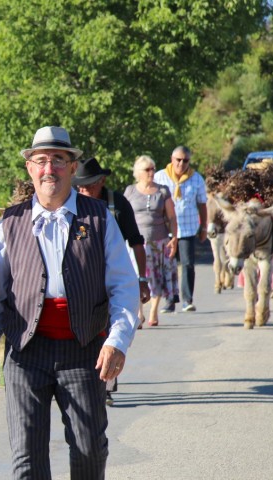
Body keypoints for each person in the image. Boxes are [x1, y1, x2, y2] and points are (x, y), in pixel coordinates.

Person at [0, 126, 140, 480]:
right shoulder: (10, 223)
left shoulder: (99, 218)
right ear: (29, 168)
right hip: (25, 351)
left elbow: (123, 286)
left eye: (58, 160)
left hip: (84, 350)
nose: (49, 168)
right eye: (41, 160)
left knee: (89, 450)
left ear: (72, 165)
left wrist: (117, 341)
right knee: (26, 460)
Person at [71, 156, 149, 406]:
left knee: (111, 329)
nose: (84, 191)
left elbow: (136, 242)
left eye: (89, 186)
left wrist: (141, 279)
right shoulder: (74, 207)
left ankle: (105, 385)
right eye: (79, 187)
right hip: (86, 280)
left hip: (114, 277)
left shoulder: (118, 204)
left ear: (102, 181)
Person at [124, 155, 179, 326]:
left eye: (153, 169)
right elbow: (124, 215)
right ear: (138, 173)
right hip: (136, 243)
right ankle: (139, 313)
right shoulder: (130, 191)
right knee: (136, 278)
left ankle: (153, 311)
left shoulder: (163, 191)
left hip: (159, 241)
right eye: (147, 169)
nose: (151, 172)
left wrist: (174, 237)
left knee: (157, 278)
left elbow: (171, 217)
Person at [154, 146, 208, 312]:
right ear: (172, 159)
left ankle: (187, 300)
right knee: (167, 265)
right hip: (166, 228)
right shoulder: (160, 177)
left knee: (188, 264)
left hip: (187, 228)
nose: (181, 163)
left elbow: (202, 204)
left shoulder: (196, 178)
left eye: (185, 160)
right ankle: (169, 301)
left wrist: (204, 226)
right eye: (178, 160)